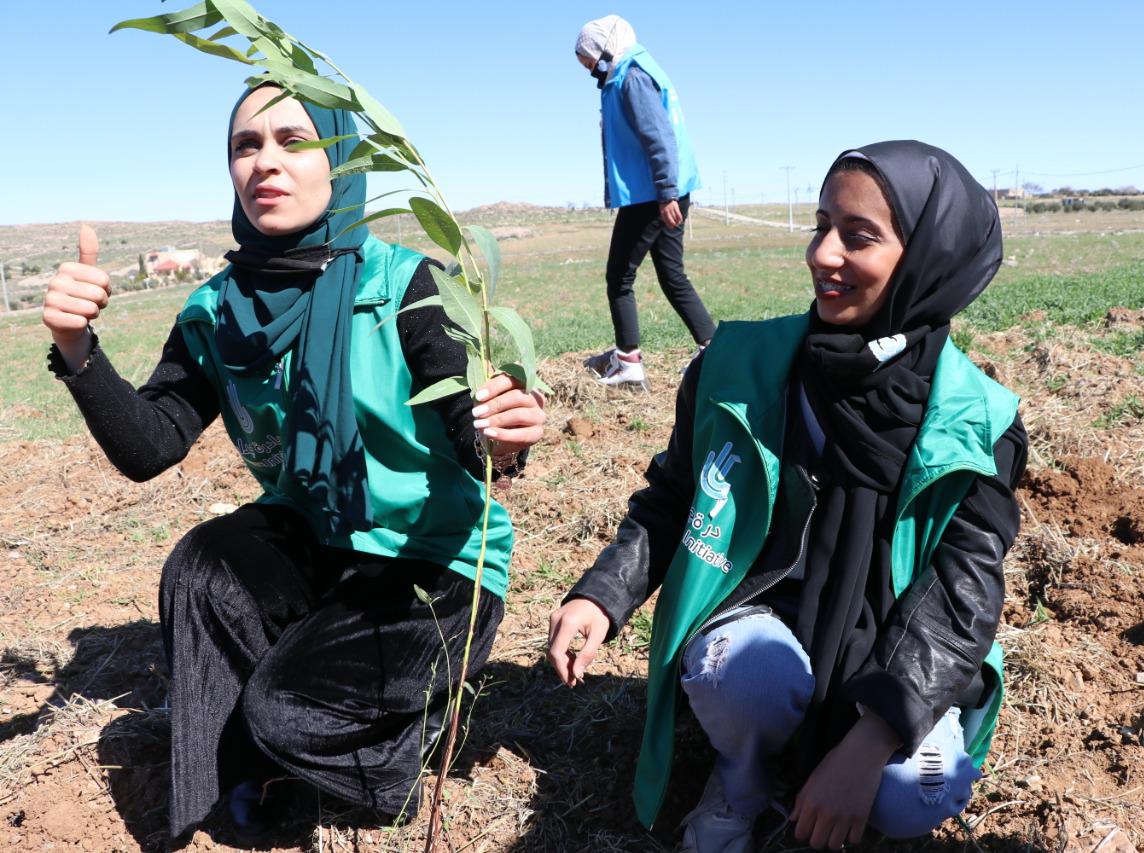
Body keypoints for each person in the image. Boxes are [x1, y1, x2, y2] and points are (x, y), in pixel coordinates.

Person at [42, 83, 546, 843]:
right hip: (317, 541)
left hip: (429, 564)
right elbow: (153, 444)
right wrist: (80, 353)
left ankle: (398, 737)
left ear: (340, 157)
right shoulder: (218, 310)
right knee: (201, 568)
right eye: (246, 146)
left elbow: (472, 430)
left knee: (286, 713)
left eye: (293, 140)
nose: (265, 163)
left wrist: (504, 437)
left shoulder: (403, 286)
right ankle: (222, 797)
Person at [548, 141, 1027, 851]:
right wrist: (603, 594)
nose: (823, 254)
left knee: (916, 790)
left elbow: (961, 602)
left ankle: (843, 757)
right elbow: (674, 497)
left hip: (894, 660)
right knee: (742, 677)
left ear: (929, 258)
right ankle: (741, 777)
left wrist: (874, 737)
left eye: (858, 236)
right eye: (820, 224)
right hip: (763, 628)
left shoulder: (979, 424)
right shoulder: (739, 366)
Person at [574, 15, 716, 391]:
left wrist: (666, 193)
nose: (589, 69)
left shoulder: (632, 77)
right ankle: (715, 351)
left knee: (619, 277)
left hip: (650, 196)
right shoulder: (630, 72)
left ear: (605, 47)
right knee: (673, 274)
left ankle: (629, 365)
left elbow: (658, 136)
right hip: (660, 192)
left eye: (589, 60)